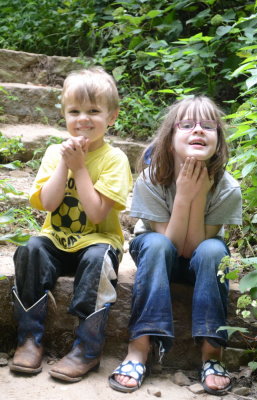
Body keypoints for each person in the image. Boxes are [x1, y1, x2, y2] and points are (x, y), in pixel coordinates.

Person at [109, 95, 242, 395]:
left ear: (218, 142)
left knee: (213, 250)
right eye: (187, 125)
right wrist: (184, 195)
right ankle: (139, 348)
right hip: (160, 251)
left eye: (208, 126)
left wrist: (199, 195)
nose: (198, 130)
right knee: (156, 244)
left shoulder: (227, 188)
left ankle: (211, 355)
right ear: (170, 141)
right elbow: (170, 246)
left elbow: (193, 249)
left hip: (199, 255)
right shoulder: (151, 179)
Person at [10, 67, 132, 382]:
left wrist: (80, 169)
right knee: (30, 250)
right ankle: (29, 339)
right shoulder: (54, 153)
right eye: (74, 111)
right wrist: (66, 162)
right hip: (56, 238)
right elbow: (48, 204)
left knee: (98, 259)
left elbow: (95, 214)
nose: (83, 119)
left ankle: (86, 349)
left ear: (112, 117)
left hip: (97, 239)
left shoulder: (114, 159)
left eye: (94, 111)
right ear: (64, 115)